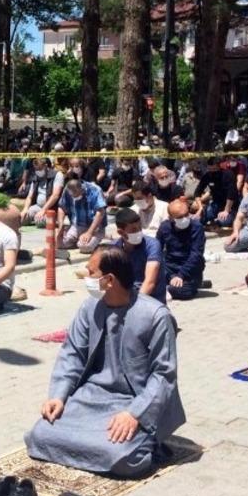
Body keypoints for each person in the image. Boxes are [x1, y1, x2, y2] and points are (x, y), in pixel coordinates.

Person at [25, 245, 185, 478]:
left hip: (134, 402)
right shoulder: (90, 307)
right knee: (39, 436)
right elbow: (73, 353)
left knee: (120, 457)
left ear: (109, 280)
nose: (87, 278)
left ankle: (148, 442)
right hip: (91, 398)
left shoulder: (155, 315)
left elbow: (164, 375)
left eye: (91, 273)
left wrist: (135, 414)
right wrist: (58, 395)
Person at [112, 207, 165, 303]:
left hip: (151, 299)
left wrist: (135, 306)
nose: (139, 232)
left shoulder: (152, 245)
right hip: (126, 298)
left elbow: (150, 282)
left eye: (140, 228)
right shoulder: (114, 248)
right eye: (133, 230)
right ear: (121, 232)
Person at [156, 199, 206, 301]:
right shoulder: (164, 227)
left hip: (190, 269)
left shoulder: (197, 227)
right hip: (170, 267)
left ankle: (190, 285)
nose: (184, 218)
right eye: (180, 217)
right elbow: (157, 251)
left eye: (186, 214)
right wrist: (169, 275)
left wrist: (181, 275)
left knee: (182, 291)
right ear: (171, 218)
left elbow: (196, 255)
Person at [57, 178, 107, 254]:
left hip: (95, 227)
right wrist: (60, 225)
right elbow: (61, 207)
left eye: (76, 194)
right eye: (72, 195)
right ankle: (79, 240)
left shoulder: (95, 190)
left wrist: (89, 232)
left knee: (85, 247)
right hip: (77, 225)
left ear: (82, 189)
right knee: (58, 243)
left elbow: (100, 212)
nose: (74, 197)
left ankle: (93, 239)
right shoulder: (67, 189)